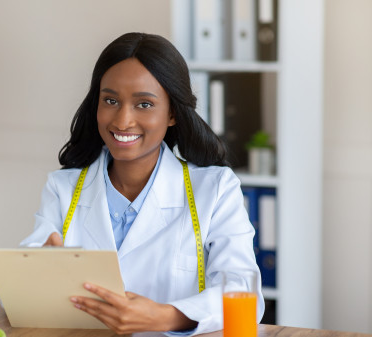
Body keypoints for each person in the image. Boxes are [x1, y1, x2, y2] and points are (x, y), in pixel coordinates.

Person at [20, 32, 264, 335]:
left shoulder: (215, 189)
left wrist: (166, 317)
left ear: (172, 112)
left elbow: (244, 292)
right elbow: (26, 273)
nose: (122, 121)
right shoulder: (63, 188)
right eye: (110, 100)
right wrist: (39, 269)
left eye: (144, 104)